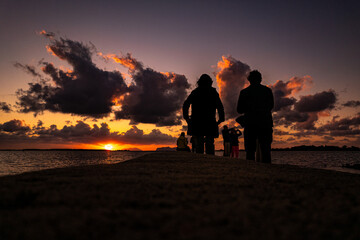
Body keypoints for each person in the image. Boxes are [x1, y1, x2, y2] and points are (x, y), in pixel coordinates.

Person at [237, 70, 274, 163]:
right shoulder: (267, 91)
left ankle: (251, 173)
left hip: (250, 124)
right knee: (266, 150)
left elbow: (239, 110)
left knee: (250, 151)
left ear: (249, 80)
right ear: (260, 79)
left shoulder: (244, 92)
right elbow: (271, 106)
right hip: (265, 123)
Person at [183, 74, 225, 154]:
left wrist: (187, 118)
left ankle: (200, 161)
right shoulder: (213, 92)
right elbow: (220, 106)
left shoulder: (195, 92)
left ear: (199, 82)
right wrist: (221, 119)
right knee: (209, 143)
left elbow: (186, 104)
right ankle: (210, 160)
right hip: (210, 120)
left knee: (199, 143)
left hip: (197, 120)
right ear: (210, 82)